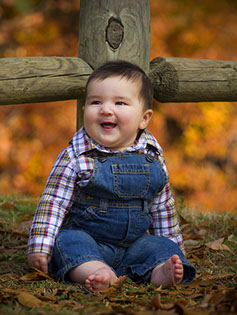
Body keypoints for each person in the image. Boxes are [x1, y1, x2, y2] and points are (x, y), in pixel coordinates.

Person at [27, 60, 196, 291]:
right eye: (96, 102)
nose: (106, 109)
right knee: (66, 241)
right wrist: (40, 245)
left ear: (144, 118)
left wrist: (174, 245)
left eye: (120, 102)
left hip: (135, 244)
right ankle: (98, 271)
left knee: (163, 248)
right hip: (89, 239)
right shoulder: (76, 156)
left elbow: (162, 207)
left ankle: (161, 272)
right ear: (84, 109)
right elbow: (53, 203)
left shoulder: (153, 156)